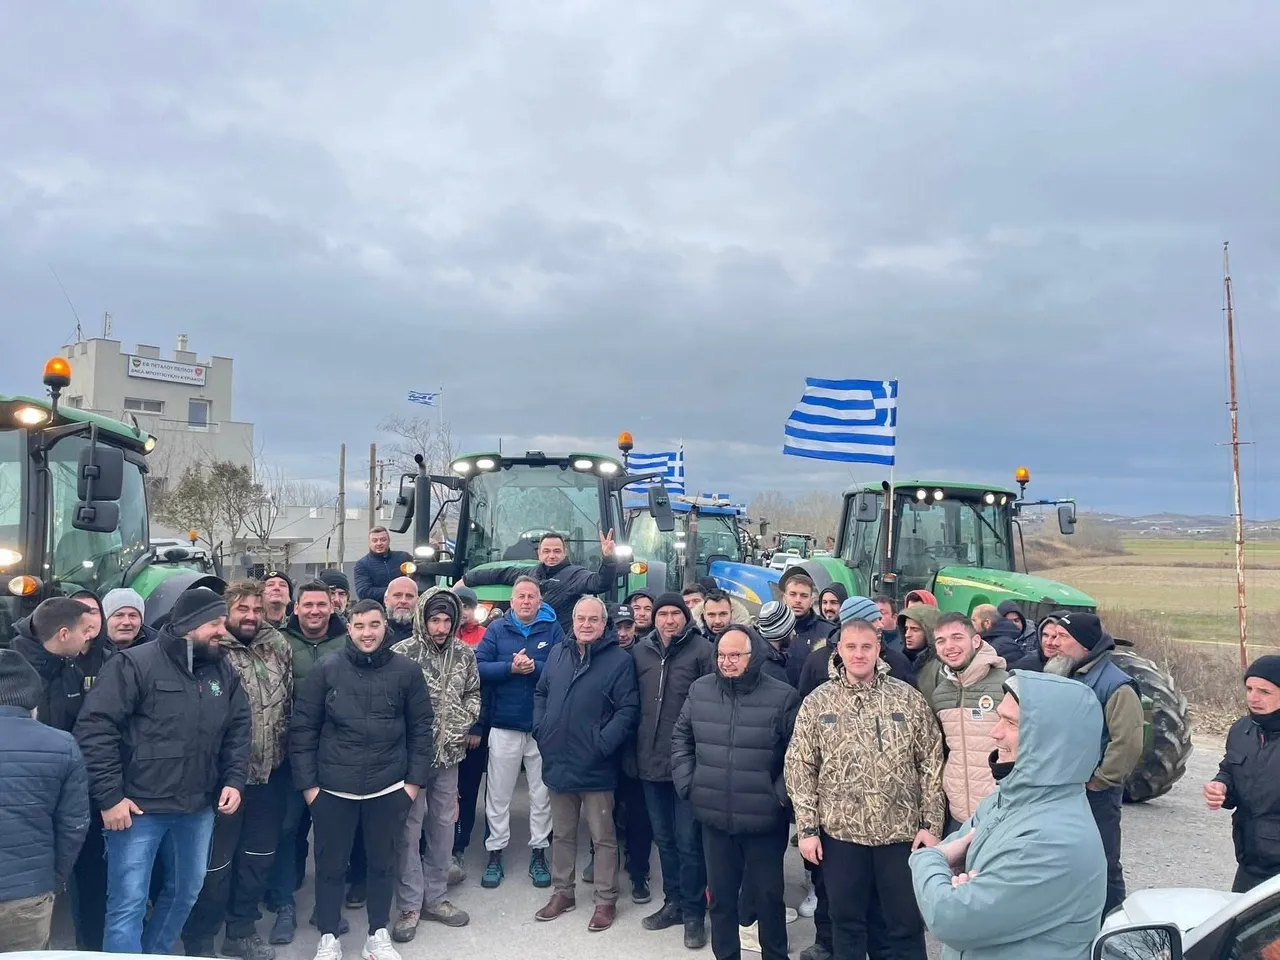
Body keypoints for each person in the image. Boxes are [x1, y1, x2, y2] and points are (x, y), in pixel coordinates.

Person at [74, 587, 252, 955]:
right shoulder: (134, 664)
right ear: (188, 625)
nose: (223, 630)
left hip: (198, 809)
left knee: (186, 892)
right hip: (139, 810)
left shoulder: (222, 669)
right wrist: (110, 798)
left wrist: (234, 779)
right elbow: (95, 729)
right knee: (128, 904)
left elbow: (238, 728)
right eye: (215, 623)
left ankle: (154, 954)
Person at [909, 673, 1107, 959]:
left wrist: (928, 859)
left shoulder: (1055, 840)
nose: (995, 732)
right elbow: (956, 863)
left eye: (1011, 723)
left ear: (1052, 740)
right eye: (999, 718)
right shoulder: (1003, 801)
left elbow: (950, 916)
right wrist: (952, 878)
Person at [785, 618, 944, 960]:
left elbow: (931, 763)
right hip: (841, 834)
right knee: (846, 922)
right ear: (839, 649)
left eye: (866, 647)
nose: (859, 654)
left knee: (902, 924)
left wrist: (931, 826)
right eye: (851, 647)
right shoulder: (818, 703)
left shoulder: (907, 699)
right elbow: (800, 767)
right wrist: (808, 829)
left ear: (878, 649)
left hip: (900, 834)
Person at [290, 598, 435, 960]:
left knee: (382, 864)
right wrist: (310, 788)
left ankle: (377, 935)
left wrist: (412, 786)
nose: (367, 633)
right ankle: (328, 937)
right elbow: (303, 729)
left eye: (374, 625)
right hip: (333, 789)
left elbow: (421, 730)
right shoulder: (326, 669)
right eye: (359, 626)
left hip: (388, 787)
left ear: (384, 625)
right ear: (348, 628)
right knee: (330, 866)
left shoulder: (407, 671)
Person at [672, 626, 799, 960]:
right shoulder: (700, 690)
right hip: (714, 817)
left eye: (734, 655)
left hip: (764, 820)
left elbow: (798, 756)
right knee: (722, 901)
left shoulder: (782, 696)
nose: (727, 662)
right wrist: (690, 783)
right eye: (721, 655)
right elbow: (681, 739)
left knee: (769, 899)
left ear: (752, 656)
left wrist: (778, 797)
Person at [182, 580, 293, 960]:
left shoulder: (277, 645)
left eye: (257, 609)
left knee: (258, 859)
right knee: (215, 866)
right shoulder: (210, 649)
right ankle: (200, 939)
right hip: (221, 779)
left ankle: (241, 932)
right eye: (242, 609)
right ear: (227, 611)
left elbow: (288, 704)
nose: (251, 616)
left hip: (268, 775)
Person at [12, 595, 114, 950]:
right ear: (63, 633)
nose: (91, 637)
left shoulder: (71, 663)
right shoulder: (13, 668)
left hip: (74, 788)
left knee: (89, 875)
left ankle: (92, 950)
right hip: (27, 799)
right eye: (84, 631)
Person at [531, 596, 639, 931]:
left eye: (594, 619)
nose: (586, 624)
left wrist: (602, 743)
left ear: (604, 623)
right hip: (558, 758)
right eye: (581, 618)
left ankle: (605, 900)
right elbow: (541, 693)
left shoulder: (619, 660)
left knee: (602, 838)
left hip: (596, 763)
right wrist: (542, 730)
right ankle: (563, 893)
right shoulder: (559, 653)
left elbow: (628, 710)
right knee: (561, 833)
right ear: (573, 620)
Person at [391, 589, 481, 942]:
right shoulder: (402, 654)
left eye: (447, 620)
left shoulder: (464, 654)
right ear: (423, 620)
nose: (441, 627)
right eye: (434, 620)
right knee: (408, 831)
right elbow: (387, 702)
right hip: (410, 758)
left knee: (443, 827)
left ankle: (437, 897)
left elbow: (473, 694)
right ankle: (410, 904)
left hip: (449, 757)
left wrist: (462, 722)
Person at [265, 581, 352, 944]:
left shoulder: (347, 642)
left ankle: (326, 906)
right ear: (295, 608)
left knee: (333, 834)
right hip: (289, 751)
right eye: (308, 605)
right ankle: (284, 905)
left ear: (331, 607)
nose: (315, 611)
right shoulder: (276, 642)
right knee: (286, 829)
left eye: (322, 604)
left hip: (337, 754)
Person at [1042, 611, 1143, 916]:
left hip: (1095, 795)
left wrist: (1099, 780)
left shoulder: (1117, 685)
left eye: (1063, 637)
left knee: (1102, 864)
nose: (1054, 643)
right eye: (1054, 636)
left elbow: (1127, 742)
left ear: (1084, 645)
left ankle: (1111, 928)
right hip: (1062, 789)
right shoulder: (1064, 673)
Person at [633, 592, 714, 948]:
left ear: (685, 617)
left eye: (675, 613)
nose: (668, 620)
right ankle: (674, 902)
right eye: (662, 613)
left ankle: (695, 912)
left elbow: (712, 706)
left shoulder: (702, 652)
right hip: (650, 762)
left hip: (688, 763)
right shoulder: (640, 652)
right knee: (664, 839)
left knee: (688, 841)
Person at [0, 648, 90, 952]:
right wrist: (52, 879)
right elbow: (74, 826)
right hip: (28, 894)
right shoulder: (62, 745)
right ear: (33, 699)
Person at [474, 575, 561, 889]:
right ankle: (494, 852)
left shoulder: (552, 629)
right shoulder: (497, 629)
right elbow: (479, 667)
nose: (526, 601)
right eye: (520, 596)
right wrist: (510, 668)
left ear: (540, 602)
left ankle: (539, 852)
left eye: (531, 597)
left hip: (541, 726)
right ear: (511, 601)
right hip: (504, 723)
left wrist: (533, 667)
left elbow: (560, 666)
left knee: (542, 794)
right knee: (498, 794)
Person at [921, 613, 1009, 833]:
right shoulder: (941, 694)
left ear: (976, 641)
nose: (949, 646)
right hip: (958, 816)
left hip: (1000, 814)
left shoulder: (1007, 685)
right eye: (941, 641)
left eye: (957, 637)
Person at [1206, 654, 1280, 892]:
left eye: (1265, 692)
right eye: (1249, 689)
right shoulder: (1241, 730)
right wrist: (1221, 787)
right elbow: (1229, 770)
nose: (1253, 698)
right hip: (1250, 859)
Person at [461, 529, 619, 630]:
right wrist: (465, 580)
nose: (551, 555)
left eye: (557, 551)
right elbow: (499, 574)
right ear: (539, 554)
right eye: (547, 551)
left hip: (557, 640)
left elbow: (600, 582)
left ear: (565, 553)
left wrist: (608, 559)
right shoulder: (530, 573)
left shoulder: (575, 575)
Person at [779, 570, 836, 687]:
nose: (798, 600)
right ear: (784, 598)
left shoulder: (829, 632)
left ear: (812, 600)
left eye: (804, 596)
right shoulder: (770, 631)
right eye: (793, 594)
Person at [353, 527, 413, 602]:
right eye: (374, 541)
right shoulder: (362, 564)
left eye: (383, 540)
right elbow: (364, 592)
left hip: (406, 604)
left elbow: (419, 577)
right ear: (369, 543)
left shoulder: (404, 557)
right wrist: (395, 591)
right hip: (378, 609)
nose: (379, 543)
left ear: (389, 541)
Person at [754, 600, 795, 684]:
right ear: (782, 632)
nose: (794, 633)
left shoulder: (755, 652)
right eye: (791, 629)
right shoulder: (771, 671)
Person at [383, 577, 419, 646]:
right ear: (386, 599)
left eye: (409, 596)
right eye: (397, 596)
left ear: (417, 601)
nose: (403, 601)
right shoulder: (376, 633)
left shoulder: (426, 634)